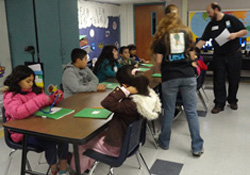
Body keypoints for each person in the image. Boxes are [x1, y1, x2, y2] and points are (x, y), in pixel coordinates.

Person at [70, 65, 161, 174]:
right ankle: (87, 164)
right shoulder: (145, 98)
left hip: (116, 146)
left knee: (81, 144)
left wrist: (122, 91)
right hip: (128, 141)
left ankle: (76, 170)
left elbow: (106, 103)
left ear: (124, 85)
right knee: (95, 136)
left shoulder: (131, 104)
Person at [149, 4, 204, 156]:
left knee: (169, 110)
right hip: (187, 75)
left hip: (170, 77)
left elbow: (159, 61)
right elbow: (193, 56)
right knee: (191, 111)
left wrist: (159, 71)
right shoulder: (186, 33)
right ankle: (197, 147)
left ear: (165, 17)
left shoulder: (162, 36)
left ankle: (164, 142)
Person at [2, 65, 69, 175]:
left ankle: (63, 168)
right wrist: (40, 100)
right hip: (22, 134)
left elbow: (44, 102)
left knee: (64, 137)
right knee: (50, 142)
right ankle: (54, 170)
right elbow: (17, 112)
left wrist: (53, 98)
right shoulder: (10, 96)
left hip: (38, 128)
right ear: (18, 81)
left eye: (32, 81)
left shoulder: (33, 91)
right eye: (28, 81)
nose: (31, 84)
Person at [196, 2, 248, 114]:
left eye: (209, 12)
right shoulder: (211, 25)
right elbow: (203, 40)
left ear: (216, 10)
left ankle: (232, 100)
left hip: (234, 55)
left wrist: (235, 35)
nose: (208, 14)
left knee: (234, 79)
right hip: (219, 56)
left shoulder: (231, 19)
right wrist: (194, 50)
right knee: (218, 80)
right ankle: (219, 104)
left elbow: (245, 31)